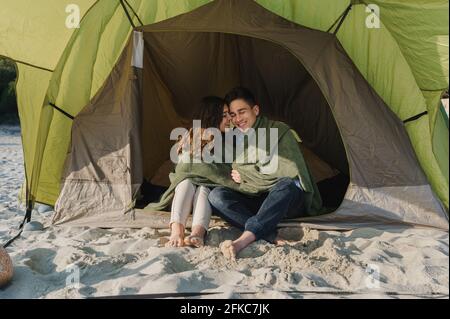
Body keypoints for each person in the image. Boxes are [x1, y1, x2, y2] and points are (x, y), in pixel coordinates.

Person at [208, 87, 322, 260]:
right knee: (216, 196)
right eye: (232, 114)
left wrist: (246, 175)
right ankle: (269, 234)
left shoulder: (279, 130)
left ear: (255, 110)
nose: (237, 119)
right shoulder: (233, 138)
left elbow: (290, 171)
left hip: (284, 201)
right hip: (254, 198)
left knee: (287, 185)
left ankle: (244, 239)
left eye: (242, 112)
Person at [146, 96, 233, 248]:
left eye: (229, 114)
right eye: (224, 115)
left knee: (204, 188)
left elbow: (224, 172)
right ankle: (177, 231)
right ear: (212, 117)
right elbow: (182, 169)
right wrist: (199, 171)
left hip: (209, 191)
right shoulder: (188, 137)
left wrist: (205, 174)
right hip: (185, 192)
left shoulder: (228, 140)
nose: (229, 119)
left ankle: (197, 233)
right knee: (185, 183)